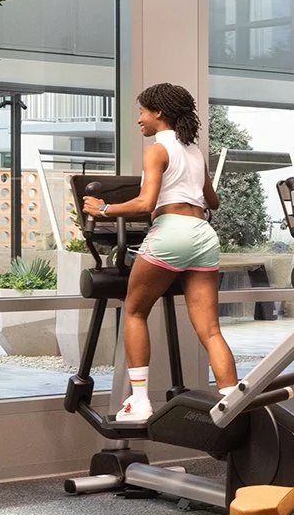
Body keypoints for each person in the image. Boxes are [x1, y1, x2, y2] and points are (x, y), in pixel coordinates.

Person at [82, 83, 240, 425]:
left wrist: (103, 209)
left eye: (142, 112)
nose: (139, 119)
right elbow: (212, 201)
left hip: (171, 232)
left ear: (158, 112)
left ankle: (140, 401)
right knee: (210, 329)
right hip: (202, 235)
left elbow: (145, 203)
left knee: (135, 310)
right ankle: (232, 401)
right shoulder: (194, 151)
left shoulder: (157, 150)